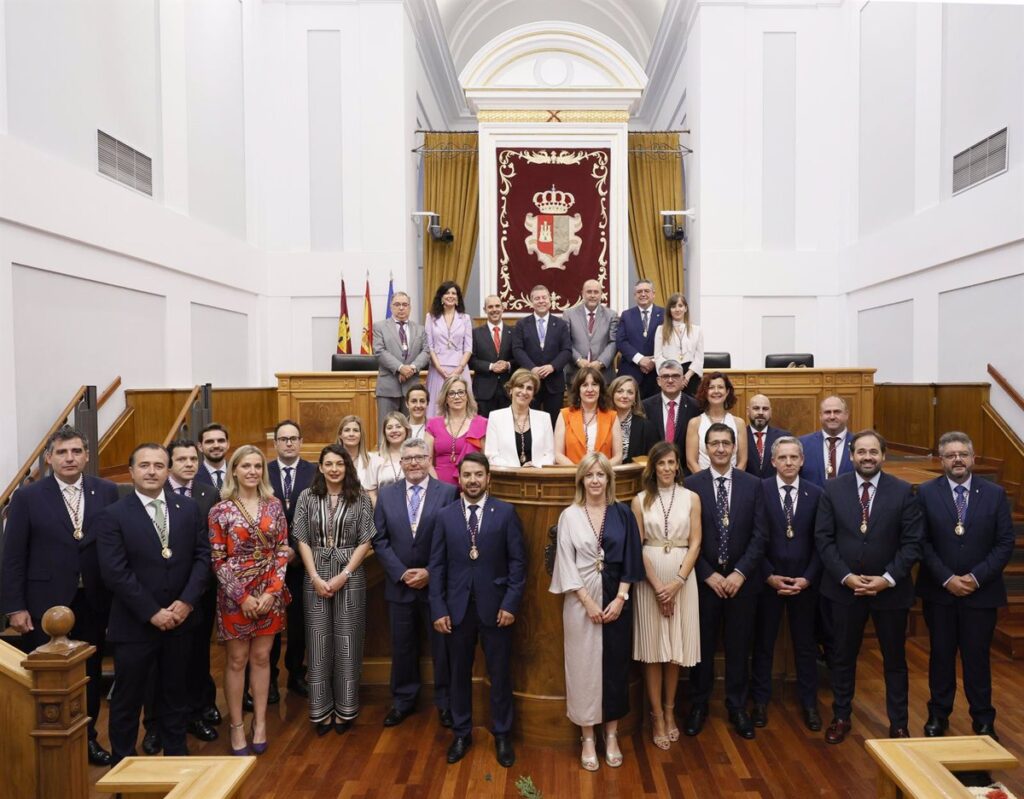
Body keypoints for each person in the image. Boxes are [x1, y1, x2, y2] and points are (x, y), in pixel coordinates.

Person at [0, 425, 119, 766]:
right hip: (44, 604)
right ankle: (51, 741)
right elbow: (12, 556)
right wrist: (15, 607)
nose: (70, 458)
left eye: (76, 451)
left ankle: (88, 738)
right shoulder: (27, 497)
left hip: (93, 600)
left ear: (86, 456)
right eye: (62, 452)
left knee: (91, 672)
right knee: (48, 677)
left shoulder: (107, 491)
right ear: (49, 458)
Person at [96, 443, 210, 765]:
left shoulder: (188, 510)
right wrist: (152, 612)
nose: (152, 471)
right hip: (134, 625)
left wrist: (187, 603)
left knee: (176, 697)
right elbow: (114, 572)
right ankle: (124, 768)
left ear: (168, 470)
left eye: (159, 465)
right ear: (131, 472)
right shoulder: (112, 516)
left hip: (181, 622)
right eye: (144, 465)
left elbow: (203, 558)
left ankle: (177, 764)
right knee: (127, 701)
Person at [815, 430, 922, 744]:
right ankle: (841, 716)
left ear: (883, 455)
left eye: (873, 452)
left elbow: (912, 543)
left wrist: (886, 579)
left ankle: (899, 724)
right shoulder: (832, 489)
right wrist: (846, 576)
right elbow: (824, 539)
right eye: (861, 452)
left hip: (890, 592)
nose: (867, 457)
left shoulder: (903, 492)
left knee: (895, 661)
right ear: (851, 456)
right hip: (844, 591)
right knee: (843, 657)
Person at [430, 453, 527, 767]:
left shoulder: (506, 513)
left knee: (499, 673)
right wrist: (438, 609)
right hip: (457, 610)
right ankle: (461, 732)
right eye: (467, 475)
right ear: (459, 478)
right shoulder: (445, 516)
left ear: (488, 478)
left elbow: (518, 564)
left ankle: (501, 734)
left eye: (478, 475)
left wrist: (510, 603)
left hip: (497, 608)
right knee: (459, 673)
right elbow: (437, 566)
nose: (473, 480)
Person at [916, 432, 1014, 741]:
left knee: (977, 657)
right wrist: (947, 578)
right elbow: (921, 542)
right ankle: (938, 714)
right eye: (950, 455)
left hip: (981, 593)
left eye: (963, 454)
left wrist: (974, 578)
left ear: (972, 459)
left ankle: (983, 718)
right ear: (942, 460)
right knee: (941, 655)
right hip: (940, 592)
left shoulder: (995, 494)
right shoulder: (926, 493)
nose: (957, 459)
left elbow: (1004, 542)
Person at [549, 453, 644, 771]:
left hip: (617, 600)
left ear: (608, 479)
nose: (594, 480)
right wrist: (587, 602)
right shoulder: (569, 516)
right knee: (583, 668)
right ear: (580, 480)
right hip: (580, 602)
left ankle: (612, 735)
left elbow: (632, 558)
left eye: (600, 475)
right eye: (588, 475)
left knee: (615, 667)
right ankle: (588, 737)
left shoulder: (623, 513)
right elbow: (564, 563)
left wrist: (620, 599)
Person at [683, 423, 767, 740]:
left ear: (734, 448)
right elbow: (686, 538)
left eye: (726, 443)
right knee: (701, 648)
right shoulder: (691, 485)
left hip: (741, 584)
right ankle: (699, 705)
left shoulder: (753, 485)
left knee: (738, 646)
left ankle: (736, 706)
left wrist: (739, 573)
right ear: (705, 448)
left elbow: (761, 536)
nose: (720, 449)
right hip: (704, 582)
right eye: (714, 443)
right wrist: (708, 574)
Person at [142, 439, 224, 755]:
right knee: (154, 668)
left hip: (195, 592)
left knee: (194, 659)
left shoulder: (205, 493)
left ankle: (193, 713)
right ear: (169, 464)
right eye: (182, 459)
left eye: (193, 458)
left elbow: (206, 548)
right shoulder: (151, 497)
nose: (189, 464)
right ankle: (153, 726)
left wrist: (191, 595)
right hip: (153, 598)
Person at [208, 445, 291, 756]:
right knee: (237, 660)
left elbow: (283, 549)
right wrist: (241, 597)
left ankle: (259, 722)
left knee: (262, 658)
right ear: (234, 471)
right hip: (235, 596)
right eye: (246, 466)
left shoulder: (274, 505)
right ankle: (237, 726)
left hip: (270, 592)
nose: (253, 471)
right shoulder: (220, 510)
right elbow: (217, 558)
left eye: (258, 466)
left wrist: (272, 592)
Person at [372, 439, 459, 728]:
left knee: (443, 648)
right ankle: (403, 701)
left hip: (436, 587)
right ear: (400, 462)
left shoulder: (447, 493)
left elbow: (453, 540)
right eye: (408, 458)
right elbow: (380, 539)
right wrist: (401, 572)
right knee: (402, 647)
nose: (413, 463)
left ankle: (446, 702)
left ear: (428, 459)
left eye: (419, 457)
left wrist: (430, 573)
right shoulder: (386, 495)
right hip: (399, 585)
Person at [292, 445, 375, 735]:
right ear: (321, 467)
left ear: (347, 467)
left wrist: (345, 574)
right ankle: (321, 710)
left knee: (348, 642)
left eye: (339, 463)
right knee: (317, 643)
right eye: (329, 464)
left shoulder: (360, 498)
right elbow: (301, 538)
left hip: (349, 573)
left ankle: (346, 709)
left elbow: (366, 540)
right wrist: (313, 575)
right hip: (315, 574)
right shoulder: (307, 497)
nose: (334, 469)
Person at [749, 437, 823, 732]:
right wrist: (768, 574)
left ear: (802, 461)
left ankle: (809, 704)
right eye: (783, 458)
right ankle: (760, 702)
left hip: (805, 582)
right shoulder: (760, 490)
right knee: (764, 645)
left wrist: (808, 578)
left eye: (794, 457)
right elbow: (754, 537)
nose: (789, 462)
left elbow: (821, 542)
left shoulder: (816, 494)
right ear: (773, 462)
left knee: (805, 646)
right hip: (769, 581)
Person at [631, 442, 701, 750]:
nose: (668, 468)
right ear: (653, 468)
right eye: (661, 463)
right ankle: (656, 716)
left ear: (678, 465)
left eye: (672, 462)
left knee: (675, 649)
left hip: (683, 576)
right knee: (653, 649)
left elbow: (696, 542)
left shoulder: (692, 498)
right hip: (651, 577)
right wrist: (659, 586)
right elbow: (638, 545)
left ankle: (671, 710)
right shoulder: (640, 501)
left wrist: (677, 582)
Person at [265, 420, 315, 703]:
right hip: (267, 563)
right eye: (283, 439)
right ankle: (268, 678)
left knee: (299, 622)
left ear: (301, 441)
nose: (288, 443)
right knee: (270, 623)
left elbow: (316, 515)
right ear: (275, 443)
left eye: (293, 438)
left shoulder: (314, 472)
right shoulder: (263, 471)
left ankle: (296, 673)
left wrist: (295, 548)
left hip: (300, 561)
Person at [511, 284, 573, 426]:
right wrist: (532, 369)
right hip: (529, 382)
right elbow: (517, 350)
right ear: (531, 302)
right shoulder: (521, 324)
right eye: (537, 298)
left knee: (553, 422)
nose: (541, 301)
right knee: (529, 421)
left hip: (554, 382)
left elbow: (567, 350)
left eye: (544, 298)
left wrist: (552, 366)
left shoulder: (561, 324)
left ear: (550, 301)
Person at [373, 291, 430, 427]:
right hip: (388, 387)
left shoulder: (420, 329)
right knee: (386, 428)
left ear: (410, 307)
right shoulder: (379, 327)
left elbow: (427, 351)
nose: (401, 308)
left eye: (405, 304)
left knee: (410, 429)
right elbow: (379, 351)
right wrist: (400, 368)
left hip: (412, 388)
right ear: (391, 307)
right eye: (397, 304)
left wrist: (412, 368)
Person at [483, 368, 555, 467]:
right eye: (520, 386)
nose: (524, 392)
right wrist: (517, 470)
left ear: (533, 393)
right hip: (508, 478)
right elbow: (491, 455)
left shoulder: (544, 418)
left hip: (537, 476)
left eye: (529, 388)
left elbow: (550, 455)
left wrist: (535, 466)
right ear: (511, 389)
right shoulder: (495, 417)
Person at [424, 376, 487, 485]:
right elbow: (426, 461)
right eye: (451, 393)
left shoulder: (481, 423)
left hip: (471, 486)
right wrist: (438, 487)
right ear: (445, 398)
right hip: (438, 487)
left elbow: (486, 461)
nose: (457, 397)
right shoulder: (433, 424)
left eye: (461, 392)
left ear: (467, 396)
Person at [554, 366, 623, 466]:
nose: (590, 389)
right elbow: (558, 455)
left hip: (602, 477)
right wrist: (579, 472)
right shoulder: (565, 415)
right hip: (572, 476)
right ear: (578, 389)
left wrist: (598, 470)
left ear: (600, 388)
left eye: (594, 384)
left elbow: (618, 457)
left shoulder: (612, 416)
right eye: (585, 385)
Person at [425, 281, 474, 417]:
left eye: (454, 293)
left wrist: (459, 368)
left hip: (460, 369)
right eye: (447, 293)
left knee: (461, 407)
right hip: (438, 369)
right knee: (437, 409)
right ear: (441, 297)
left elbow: (468, 347)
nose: (450, 296)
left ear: (458, 298)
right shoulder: (431, 317)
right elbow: (430, 346)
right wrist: (439, 368)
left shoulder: (465, 318)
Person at [642, 360, 700, 470]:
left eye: (675, 376)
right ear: (658, 381)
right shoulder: (645, 406)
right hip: (654, 470)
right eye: (665, 376)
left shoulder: (695, 407)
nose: (670, 380)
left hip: (685, 470)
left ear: (683, 380)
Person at [685, 372, 748, 474]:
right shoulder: (695, 423)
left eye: (720, 387)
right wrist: (707, 483)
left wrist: (731, 481)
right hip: (703, 483)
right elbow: (691, 462)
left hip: (732, 483)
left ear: (727, 391)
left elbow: (742, 462)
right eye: (711, 387)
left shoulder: (739, 423)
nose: (716, 391)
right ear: (705, 392)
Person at [564, 278, 619, 387]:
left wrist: (600, 362)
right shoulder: (569, 314)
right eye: (589, 292)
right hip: (575, 374)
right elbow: (566, 341)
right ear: (583, 294)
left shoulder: (611, 315)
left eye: (596, 292)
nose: (592, 295)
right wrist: (578, 360)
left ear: (601, 294)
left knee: (604, 405)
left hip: (604, 376)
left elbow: (614, 342)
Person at [616, 278, 664, 399]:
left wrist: (653, 361)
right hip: (631, 373)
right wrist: (640, 359)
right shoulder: (626, 315)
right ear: (634, 295)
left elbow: (668, 342)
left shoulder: (664, 314)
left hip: (656, 374)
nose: (643, 294)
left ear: (653, 294)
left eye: (646, 291)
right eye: (639, 292)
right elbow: (621, 341)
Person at [470, 295, 515, 418]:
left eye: (497, 306)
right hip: (484, 392)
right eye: (490, 307)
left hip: (508, 390)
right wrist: (491, 366)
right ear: (485, 310)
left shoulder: (514, 332)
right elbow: (471, 360)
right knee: (485, 430)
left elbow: (518, 358)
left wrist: (508, 365)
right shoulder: (475, 333)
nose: (494, 309)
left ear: (502, 308)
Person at [653, 293, 704, 395]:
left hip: (690, 376)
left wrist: (686, 377)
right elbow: (658, 356)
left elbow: (699, 357)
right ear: (669, 310)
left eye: (680, 306)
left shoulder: (697, 330)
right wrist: (670, 375)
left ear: (685, 308)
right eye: (673, 306)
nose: (677, 309)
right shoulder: (661, 330)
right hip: (669, 375)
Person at [799, 396, 854, 486]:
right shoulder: (802, 444)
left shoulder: (858, 443)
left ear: (846, 414)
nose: (832, 417)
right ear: (820, 416)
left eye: (837, 412)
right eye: (827, 412)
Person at [610, 375, 656, 464]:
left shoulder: (646, 426)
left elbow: (653, 460)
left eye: (630, 392)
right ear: (612, 394)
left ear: (635, 398)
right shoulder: (600, 421)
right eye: (620, 391)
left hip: (634, 476)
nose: (624, 396)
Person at [337, 414, 382, 504]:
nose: (351, 434)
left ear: (361, 435)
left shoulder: (374, 460)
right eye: (347, 430)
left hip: (366, 512)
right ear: (340, 435)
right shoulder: (332, 460)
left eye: (356, 430)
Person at [744, 394, 791, 480]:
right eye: (756, 408)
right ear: (748, 411)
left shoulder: (784, 437)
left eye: (765, 409)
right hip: (747, 490)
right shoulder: (739, 436)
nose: (760, 412)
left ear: (770, 412)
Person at [374, 411, 411, 488]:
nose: (394, 431)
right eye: (389, 428)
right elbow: (371, 491)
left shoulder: (415, 456)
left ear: (406, 430)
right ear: (384, 433)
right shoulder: (376, 458)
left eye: (398, 426)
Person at [195, 423, 230, 488]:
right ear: (200, 447)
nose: (216, 445)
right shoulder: (193, 479)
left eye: (221, 441)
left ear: (228, 444)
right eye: (210, 442)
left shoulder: (238, 474)